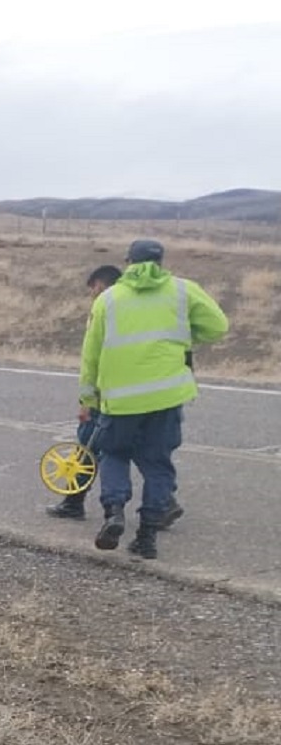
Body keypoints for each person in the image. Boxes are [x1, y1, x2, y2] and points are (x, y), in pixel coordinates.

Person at [79, 238, 227, 559]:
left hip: (120, 399)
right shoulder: (183, 290)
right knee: (158, 463)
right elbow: (218, 326)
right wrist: (183, 339)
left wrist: (88, 396)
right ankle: (146, 537)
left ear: (128, 261)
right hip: (166, 396)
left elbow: (90, 354)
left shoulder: (108, 299)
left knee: (113, 454)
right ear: (160, 262)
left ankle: (115, 513)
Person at [47, 265, 119, 520]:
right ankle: (163, 502)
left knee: (88, 448)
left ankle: (74, 502)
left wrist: (87, 401)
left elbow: (91, 359)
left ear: (99, 285)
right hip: (140, 395)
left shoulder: (102, 309)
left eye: (93, 289)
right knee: (144, 452)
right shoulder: (140, 310)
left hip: (104, 395)